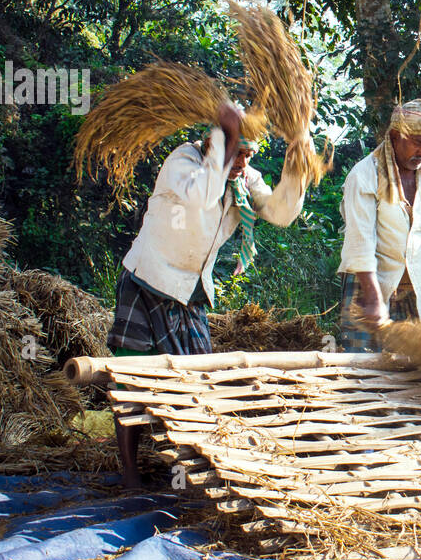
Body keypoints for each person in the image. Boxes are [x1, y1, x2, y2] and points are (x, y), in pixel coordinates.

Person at [107, 101, 309, 484]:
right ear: (215, 141)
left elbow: (280, 212)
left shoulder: (243, 179)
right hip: (148, 281)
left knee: (197, 383)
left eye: (248, 155)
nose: (242, 162)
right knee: (130, 378)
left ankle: (188, 470)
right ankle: (130, 474)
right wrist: (227, 144)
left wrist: (297, 160)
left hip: (191, 292)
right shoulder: (183, 162)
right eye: (237, 151)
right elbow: (201, 194)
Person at [337, 98, 421, 351]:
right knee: (364, 369)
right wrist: (373, 298)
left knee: (415, 371)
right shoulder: (365, 175)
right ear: (394, 136)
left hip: (416, 288)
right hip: (367, 283)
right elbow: (360, 243)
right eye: (417, 143)